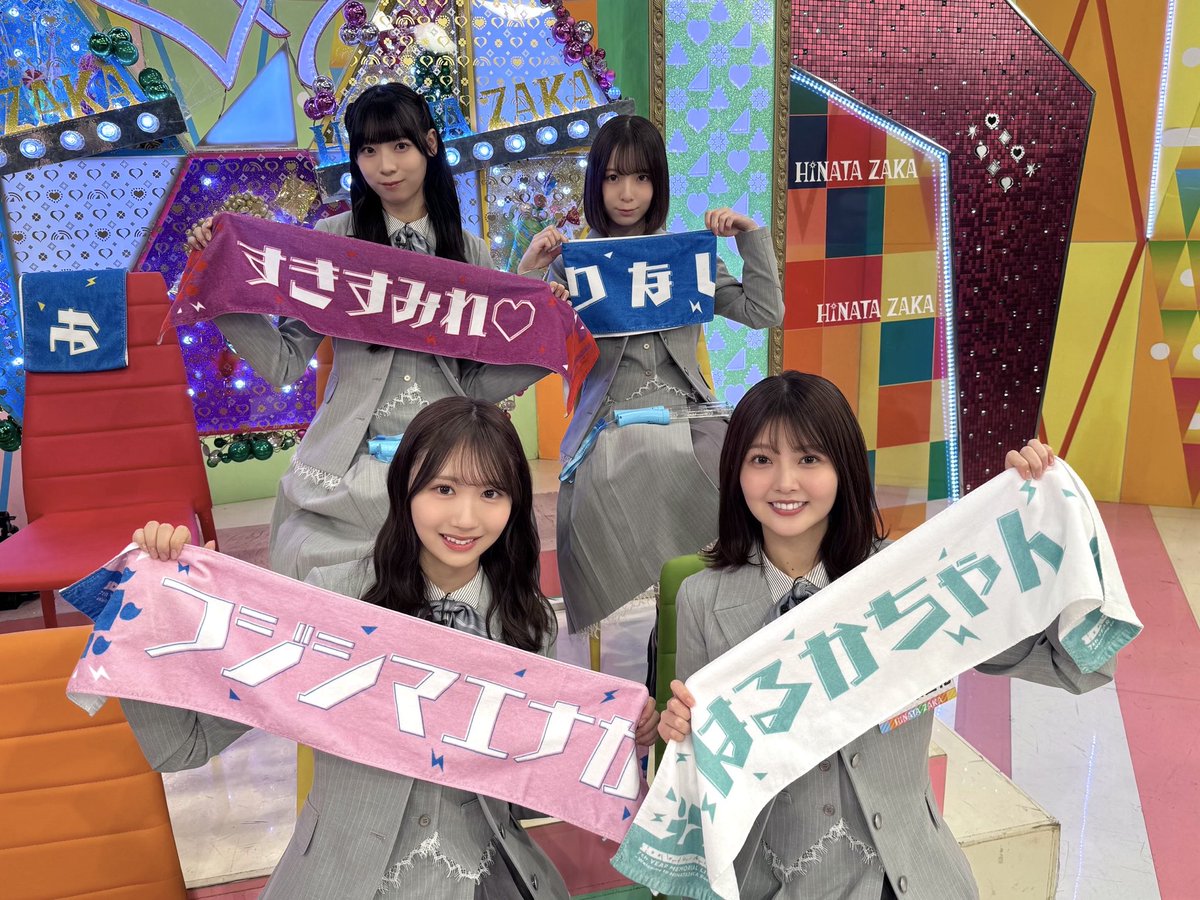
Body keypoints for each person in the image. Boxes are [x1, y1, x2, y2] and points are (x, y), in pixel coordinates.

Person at [123, 396, 660, 899]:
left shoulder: (528, 623)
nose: (466, 518)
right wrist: (151, 611)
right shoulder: (331, 599)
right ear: (404, 488)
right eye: (443, 489)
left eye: (491, 493)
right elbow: (182, 747)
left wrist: (623, 739)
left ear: (515, 504)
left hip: (486, 877)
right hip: (341, 876)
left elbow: (531, 781)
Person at [656, 371, 1113, 900]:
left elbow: (1076, 664)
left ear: (844, 468)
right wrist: (680, 732)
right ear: (735, 471)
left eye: (809, 458)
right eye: (761, 459)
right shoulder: (700, 600)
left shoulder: (914, 582)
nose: (785, 482)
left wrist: (1050, 519)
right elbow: (699, 779)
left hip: (911, 881)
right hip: (773, 884)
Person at [186, 83, 566, 584]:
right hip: (346, 464)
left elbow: (472, 383)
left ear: (430, 144)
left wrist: (545, 343)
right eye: (368, 150)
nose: (385, 166)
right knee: (323, 568)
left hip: (447, 458)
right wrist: (216, 279)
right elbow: (284, 362)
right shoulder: (330, 241)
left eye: (400, 146)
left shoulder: (469, 250)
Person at [516, 114, 784, 635]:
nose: (627, 193)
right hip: (606, 421)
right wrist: (530, 274)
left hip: (691, 414)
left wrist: (749, 237)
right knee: (605, 478)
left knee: (735, 466)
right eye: (613, 177)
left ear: (658, 183)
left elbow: (763, 312)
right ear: (595, 183)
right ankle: (629, 627)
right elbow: (523, 347)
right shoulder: (570, 264)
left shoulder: (683, 255)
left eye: (641, 177)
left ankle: (725, 612)